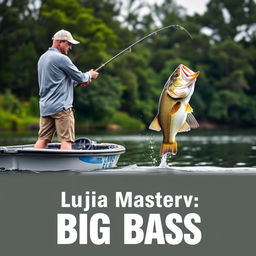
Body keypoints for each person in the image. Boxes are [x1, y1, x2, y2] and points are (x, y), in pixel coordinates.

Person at [34, 29, 99, 150]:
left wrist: (77, 83)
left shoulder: (43, 58)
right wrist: (90, 75)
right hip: (62, 108)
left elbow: (58, 81)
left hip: (46, 107)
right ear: (59, 42)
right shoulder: (61, 58)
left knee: (43, 139)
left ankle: (32, 163)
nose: (70, 47)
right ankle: (66, 169)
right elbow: (81, 76)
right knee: (66, 140)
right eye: (68, 44)